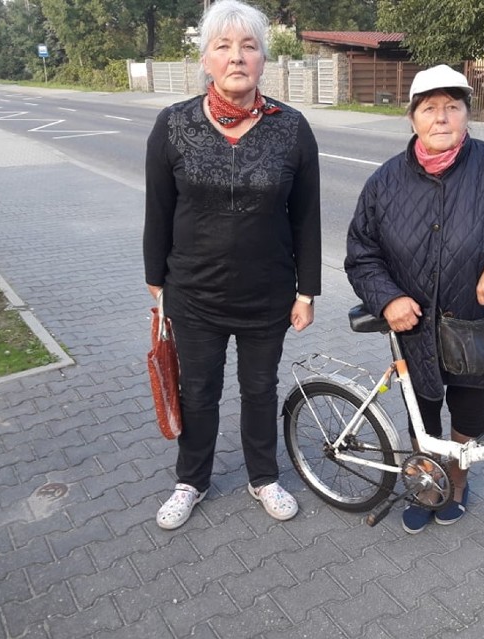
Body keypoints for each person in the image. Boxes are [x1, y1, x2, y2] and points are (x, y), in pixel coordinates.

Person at [345, 64, 484, 534]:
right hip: (413, 325)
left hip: (473, 321)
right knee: (421, 410)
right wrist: (387, 300)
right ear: (413, 119)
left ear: (466, 114)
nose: (441, 117)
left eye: (452, 107)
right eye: (430, 108)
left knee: (467, 410)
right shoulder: (384, 183)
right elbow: (362, 255)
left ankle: (458, 482)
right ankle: (427, 482)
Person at [143, 0, 321, 530]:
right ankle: (191, 480)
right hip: (193, 294)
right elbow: (158, 211)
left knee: (259, 389)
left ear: (264, 59)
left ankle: (263, 476)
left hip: (267, 294)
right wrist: (158, 288)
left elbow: (307, 218)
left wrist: (306, 292)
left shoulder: (292, 128)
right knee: (197, 391)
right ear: (206, 59)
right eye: (223, 46)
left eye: (248, 46)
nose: (236, 56)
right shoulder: (172, 126)